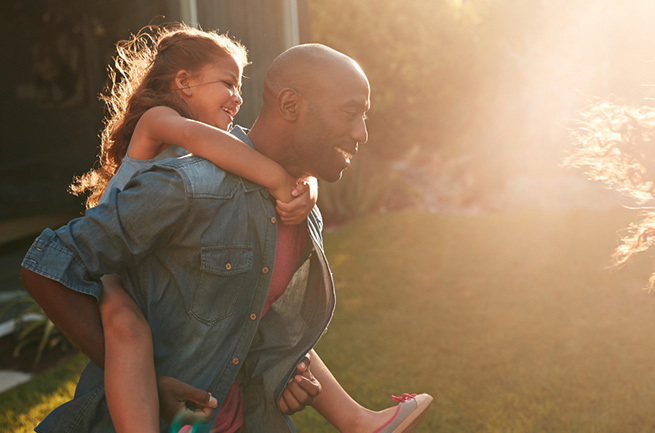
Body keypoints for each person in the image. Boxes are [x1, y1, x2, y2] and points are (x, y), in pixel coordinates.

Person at [21, 35, 432, 433]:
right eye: (350, 112)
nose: (362, 133)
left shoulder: (302, 212)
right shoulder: (187, 184)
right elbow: (47, 267)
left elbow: (247, 319)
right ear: (290, 104)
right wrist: (147, 381)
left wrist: (284, 371)